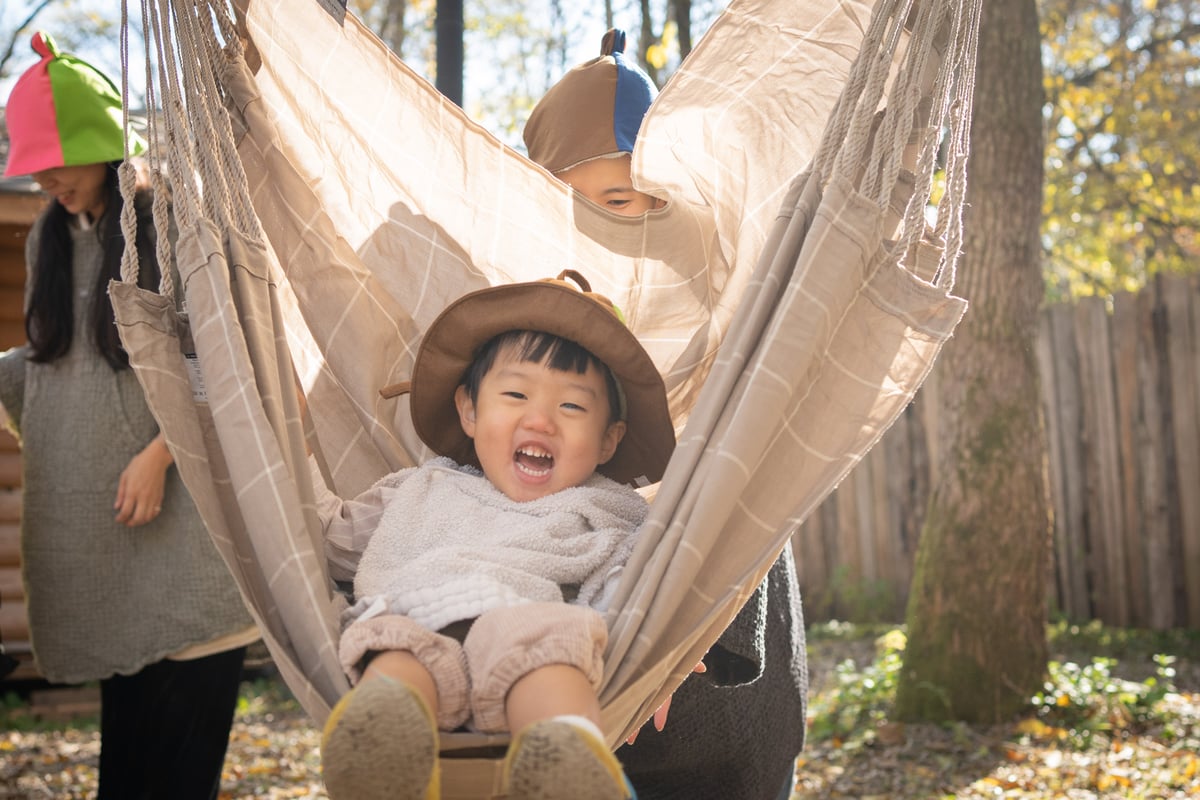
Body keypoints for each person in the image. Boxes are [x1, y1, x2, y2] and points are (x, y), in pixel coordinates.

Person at [523, 30, 809, 800]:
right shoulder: (528, 307)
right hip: (585, 664)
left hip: (721, 654)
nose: (621, 220)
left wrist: (691, 637)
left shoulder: (717, 290)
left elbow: (750, 474)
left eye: (636, 199)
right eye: (597, 201)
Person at [0, 32, 258, 800]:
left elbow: (225, 360)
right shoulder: (54, 237)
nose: (46, 177)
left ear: (106, 145)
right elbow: (57, 367)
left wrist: (159, 454)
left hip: (187, 549)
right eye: (34, 162)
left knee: (179, 780)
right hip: (111, 564)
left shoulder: (170, 222)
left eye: (60, 157)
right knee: (128, 783)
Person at [315, 271, 676, 800]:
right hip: (413, 618)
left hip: (528, 627)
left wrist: (659, 657)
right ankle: (382, 755)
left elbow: (630, 588)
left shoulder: (602, 511)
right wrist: (289, 440)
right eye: (514, 394)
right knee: (393, 660)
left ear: (608, 440)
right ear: (469, 410)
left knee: (553, 661)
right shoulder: (421, 487)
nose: (541, 419)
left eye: (572, 406)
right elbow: (330, 538)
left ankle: (567, 759)